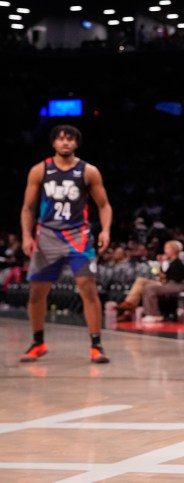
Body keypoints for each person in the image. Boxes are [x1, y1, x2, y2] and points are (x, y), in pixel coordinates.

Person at [19, 124, 112, 364]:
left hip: (78, 236)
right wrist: (27, 236)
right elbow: (28, 208)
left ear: (76, 144)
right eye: (61, 139)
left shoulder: (88, 171)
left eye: (70, 139)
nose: (65, 142)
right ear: (53, 143)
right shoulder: (39, 170)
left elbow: (104, 205)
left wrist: (106, 230)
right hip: (47, 236)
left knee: (88, 288)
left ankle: (96, 345)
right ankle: (38, 342)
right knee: (37, 292)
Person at [116, 240, 184, 322]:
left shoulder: (178, 261)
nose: (165, 250)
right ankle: (129, 304)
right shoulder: (169, 262)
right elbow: (164, 276)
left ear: (174, 249)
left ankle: (153, 314)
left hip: (176, 285)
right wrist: (161, 267)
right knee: (140, 280)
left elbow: (176, 277)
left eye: (167, 248)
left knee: (149, 288)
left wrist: (165, 265)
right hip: (166, 283)